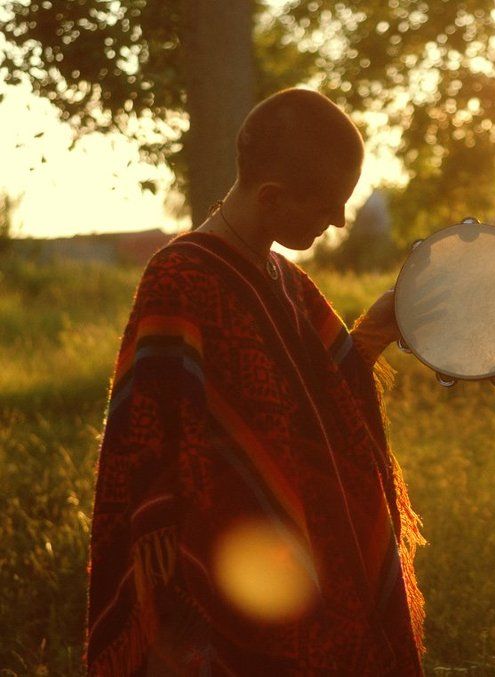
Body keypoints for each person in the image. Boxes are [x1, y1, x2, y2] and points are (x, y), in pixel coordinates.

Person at [86, 88, 426, 675]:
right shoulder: (180, 278)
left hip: (309, 566)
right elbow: (149, 434)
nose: (340, 220)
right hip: (215, 575)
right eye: (328, 205)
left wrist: (373, 330)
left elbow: (317, 400)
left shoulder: (287, 281)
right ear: (271, 196)